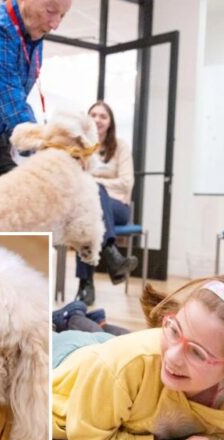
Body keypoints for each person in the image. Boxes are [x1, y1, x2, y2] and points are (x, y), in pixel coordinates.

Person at [52, 275, 224, 440]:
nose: (173, 357)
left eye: (197, 353)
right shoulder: (117, 367)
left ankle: (74, 317)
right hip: (63, 365)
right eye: (174, 328)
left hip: (119, 363)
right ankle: (68, 317)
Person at [0, 0, 73, 196]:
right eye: (51, 11)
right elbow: (13, 103)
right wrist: (51, 150)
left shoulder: (33, 34)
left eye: (62, 16)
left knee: (24, 202)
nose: (55, 24)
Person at [74, 100, 138, 305]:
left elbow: (127, 183)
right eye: (93, 115)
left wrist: (95, 183)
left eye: (103, 116)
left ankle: (86, 284)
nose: (97, 119)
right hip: (90, 209)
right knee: (86, 220)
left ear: (110, 122)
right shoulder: (79, 146)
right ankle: (112, 257)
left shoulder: (120, 146)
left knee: (94, 192)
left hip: (118, 208)